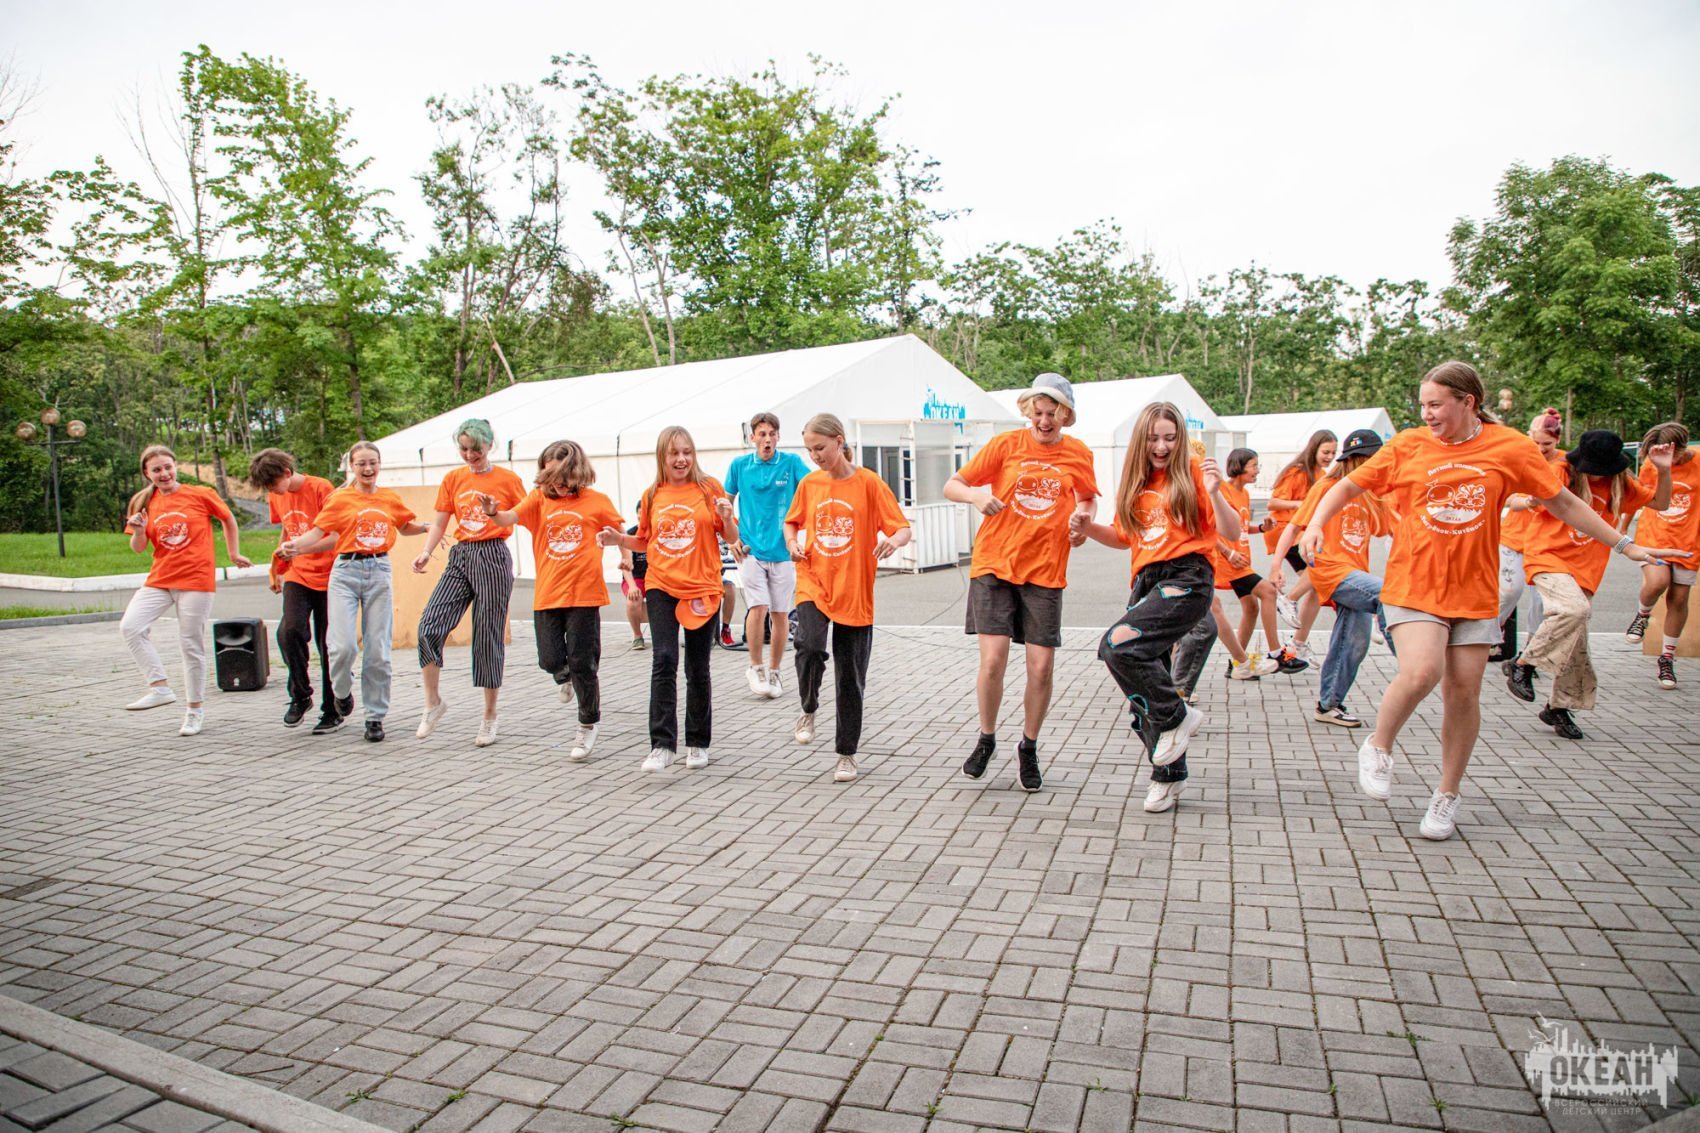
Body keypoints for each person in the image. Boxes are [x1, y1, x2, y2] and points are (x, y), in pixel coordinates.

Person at [1299, 362, 1673, 840]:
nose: (1427, 413)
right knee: (1422, 671)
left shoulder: (1509, 447)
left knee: (1463, 694)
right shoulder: (1408, 445)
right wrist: (1314, 525)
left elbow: (1562, 502)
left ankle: (1446, 795)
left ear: (1468, 402)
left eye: (1436, 404)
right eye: (1423, 405)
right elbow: (1348, 485)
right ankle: (1379, 745)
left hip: (1474, 590)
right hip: (1414, 583)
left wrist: (1624, 544)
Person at [1077, 401, 1241, 814]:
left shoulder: (1193, 473)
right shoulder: (1135, 480)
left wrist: (1216, 492)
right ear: (1141, 441)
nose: (1162, 446)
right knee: (1141, 694)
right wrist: (1087, 527)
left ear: (1180, 439)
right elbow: (1123, 537)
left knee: (1117, 646)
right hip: (1147, 583)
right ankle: (1168, 775)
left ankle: (1178, 715)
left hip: (1187, 577)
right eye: (1153, 439)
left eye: (1170, 438)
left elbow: (1232, 530)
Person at [943, 372, 1098, 792]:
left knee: (1041, 667)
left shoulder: (1078, 453)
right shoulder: (1005, 445)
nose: (1044, 421)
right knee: (993, 661)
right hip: (995, 563)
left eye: (1052, 414)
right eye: (1038, 413)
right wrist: (977, 496)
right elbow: (953, 484)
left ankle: (1028, 747)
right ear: (1029, 411)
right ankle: (986, 738)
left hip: (1045, 569)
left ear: (1065, 416)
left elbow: (1087, 498)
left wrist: (1083, 522)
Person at [1506, 430, 1672, 738]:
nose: (1596, 475)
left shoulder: (1619, 482)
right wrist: (1529, 499)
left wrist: (1663, 470)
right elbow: (1518, 498)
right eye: (1592, 469)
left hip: (1586, 568)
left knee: (1576, 639)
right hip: (1548, 556)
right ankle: (1523, 663)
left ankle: (1558, 707)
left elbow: (1661, 503)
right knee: (1574, 610)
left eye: (1601, 470)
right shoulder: (1561, 471)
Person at [597, 426, 737, 771]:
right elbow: (645, 540)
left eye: (687, 452)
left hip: (701, 587)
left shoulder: (709, 488)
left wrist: (725, 517)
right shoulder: (652, 494)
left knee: (697, 666)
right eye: (674, 453)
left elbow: (731, 535)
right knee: (663, 659)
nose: (681, 459)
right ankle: (661, 745)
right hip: (661, 584)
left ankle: (698, 742)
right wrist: (619, 539)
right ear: (662, 456)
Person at [784, 413, 913, 782]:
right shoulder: (810, 484)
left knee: (850, 676)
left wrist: (893, 541)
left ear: (839, 441)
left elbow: (901, 527)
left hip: (854, 589)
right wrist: (792, 543)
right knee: (809, 645)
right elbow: (792, 521)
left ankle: (846, 754)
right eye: (810, 450)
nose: (815, 456)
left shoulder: (869, 483)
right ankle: (809, 705)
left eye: (820, 448)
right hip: (814, 579)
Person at [481, 440, 622, 762]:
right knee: (549, 659)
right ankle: (564, 676)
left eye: (562, 477)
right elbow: (507, 518)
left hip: (585, 594)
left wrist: (625, 561)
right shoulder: (538, 500)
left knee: (584, 663)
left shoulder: (596, 501)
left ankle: (587, 723)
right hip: (548, 593)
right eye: (550, 477)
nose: (557, 484)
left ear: (576, 472)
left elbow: (618, 532)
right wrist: (492, 512)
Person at [278, 442, 428, 741]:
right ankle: (342, 692)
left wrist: (425, 527)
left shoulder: (389, 497)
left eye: (373, 463)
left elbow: (404, 525)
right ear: (352, 468)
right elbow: (317, 532)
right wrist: (294, 546)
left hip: (379, 570)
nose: (368, 469)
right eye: (361, 464)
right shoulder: (340, 499)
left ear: (379, 464)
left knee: (378, 651)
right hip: (345, 571)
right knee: (342, 647)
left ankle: (375, 717)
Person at [120, 444, 252, 737]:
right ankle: (160, 688)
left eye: (168, 467)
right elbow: (138, 547)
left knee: (190, 644)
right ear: (147, 473)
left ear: (175, 466)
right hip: (161, 579)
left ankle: (194, 710)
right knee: (131, 626)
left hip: (195, 580)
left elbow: (228, 518)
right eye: (157, 469)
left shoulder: (200, 494)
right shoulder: (142, 501)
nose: (164, 473)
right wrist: (138, 530)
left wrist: (233, 553)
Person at [411, 419, 527, 748]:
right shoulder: (453, 478)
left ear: (489, 445)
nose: (469, 455)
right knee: (429, 626)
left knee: (487, 635)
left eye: (475, 449)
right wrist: (426, 551)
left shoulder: (507, 479)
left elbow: (527, 513)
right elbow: (440, 521)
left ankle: (489, 715)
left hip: (493, 554)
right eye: (463, 449)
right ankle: (432, 702)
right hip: (461, 555)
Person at [1270, 429, 1394, 728]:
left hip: (1356, 572)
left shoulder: (1369, 493)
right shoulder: (1327, 487)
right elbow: (1294, 527)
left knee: (1353, 644)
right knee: (1388, 595)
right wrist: (1275, 566)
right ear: (1354, 460)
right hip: (1331, 571)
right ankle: (1414, 663)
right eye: (1371, 460)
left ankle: (1328, 705)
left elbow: (1389, 528)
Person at [726, 412, 813, 699]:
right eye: (761, 434)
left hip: (783, 551)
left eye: (772, 434)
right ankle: (756, 666)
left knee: (780, 612)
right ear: (752, 437)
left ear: (778, 437)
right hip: (751, 550)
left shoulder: (791, 463)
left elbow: (814, 488)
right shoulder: (739, 466)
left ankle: (775, 670)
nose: (767, 439)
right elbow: (724, 508)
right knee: (759, 606)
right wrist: (732, 539)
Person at [248, 448, 337, 728]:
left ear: (287, 472)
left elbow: (336, 536)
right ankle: (300, 694)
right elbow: (287, 529)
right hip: (298, 572)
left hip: (330, 574)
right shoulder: (276, 495)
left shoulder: (321, 488)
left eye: (273, 484)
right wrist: (278, 564)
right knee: (289, 632)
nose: (272, 491)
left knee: (327, 644)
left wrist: (301, 548)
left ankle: (332, 707)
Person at [1624, 422, 1699, 690]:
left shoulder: (1697, 462)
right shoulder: (1652, 464)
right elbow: (1638, 497)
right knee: (1657, 582)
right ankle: (1642, 615)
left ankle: (1667, 658)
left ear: (1681, 447)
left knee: (1679, 598)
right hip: (1654, 534)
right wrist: (1621, 530)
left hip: (1689, 538)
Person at [1494, 409, 1565, 669]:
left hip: (1547, 543)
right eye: (1536, 443)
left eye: (1547, 444)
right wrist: (1529, 502)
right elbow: (1509, 498)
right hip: (1514, 537)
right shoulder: (1520, 459)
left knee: (1541, 602)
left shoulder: (1565, 464)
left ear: (1557, 440)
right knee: (1508, 592)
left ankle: (1530, 656)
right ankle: (1487, 635)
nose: (1541, 449)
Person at [1212, 448, 1289, 679]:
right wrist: (1228, 553)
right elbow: (1208, 528)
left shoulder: (1244, 494)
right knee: (1268, 591)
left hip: (1241, 560)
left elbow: (1242, 528)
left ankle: (1237, 664)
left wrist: (1262, 528)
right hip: (1228, 562)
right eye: (1254, 466)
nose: (1257, 471)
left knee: (1251, 607)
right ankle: (1276, 653)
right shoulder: (1220, 491)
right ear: (1239, 466)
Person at [1266, 430, 1336, 668]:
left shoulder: (1322, 475)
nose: (1329, 457)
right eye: (1325, 452)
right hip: (1288, 532)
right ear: (1314, 448)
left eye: (1333, 453)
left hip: (1304, 533)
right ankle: (1289, 599)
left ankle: (1298, 644)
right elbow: (1273, 502)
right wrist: (1301, 504)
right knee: (1322, 569)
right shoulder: (1297, 472)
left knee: (1317, 585)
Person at [620, 523, 649, 650]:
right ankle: (638, 635)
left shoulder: (660, 530)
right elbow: (625, 564)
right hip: (636, 577)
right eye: (639, 515)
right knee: (633, 599)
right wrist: (632, 586)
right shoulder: (630, 534)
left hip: (656, 576)